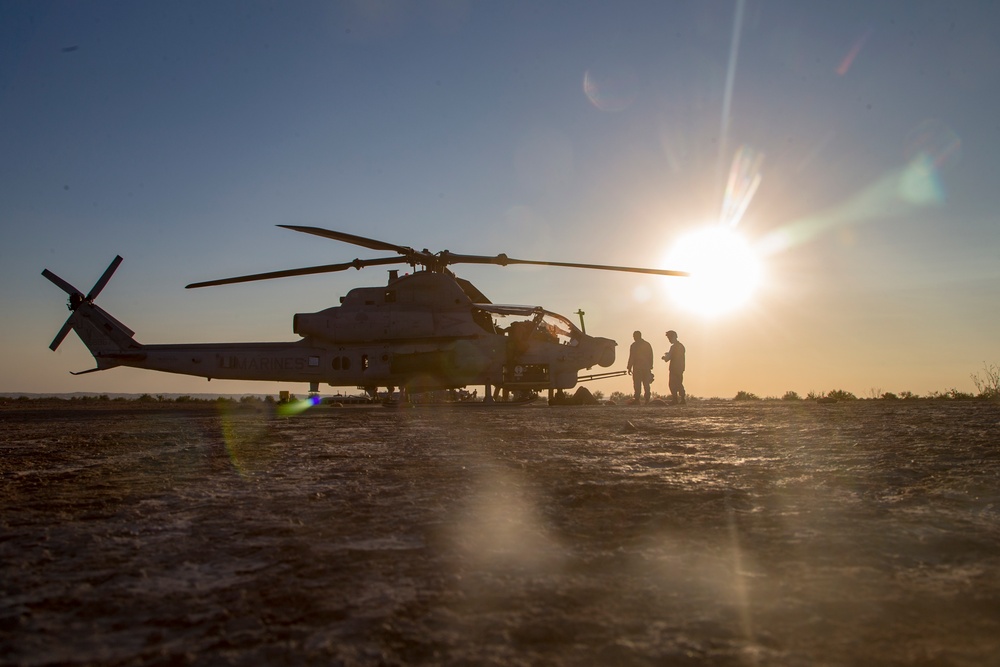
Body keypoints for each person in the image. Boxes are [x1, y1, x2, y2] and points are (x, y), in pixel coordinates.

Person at [626, 330, 654, 404]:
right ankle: (646, 399)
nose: (634, 338)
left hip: (638, 367)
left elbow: (631, 357)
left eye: (634, 336)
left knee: (637, 384)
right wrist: (650, 366)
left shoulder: (634, 345)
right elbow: (651, 356)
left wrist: (629, 367)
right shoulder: (647, 344)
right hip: (646, 367)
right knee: (646, 384)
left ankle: (637, 399)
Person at [662, 330, 686, 404]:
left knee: (672, 384)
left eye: (669, 338)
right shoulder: (681, 346)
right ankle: (682, 398)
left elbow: (668, 357)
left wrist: (664, 357)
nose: (669, 340)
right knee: (679, 383)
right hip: (680, 368)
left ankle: (675, 399)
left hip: (674, 368)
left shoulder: (674, 347)